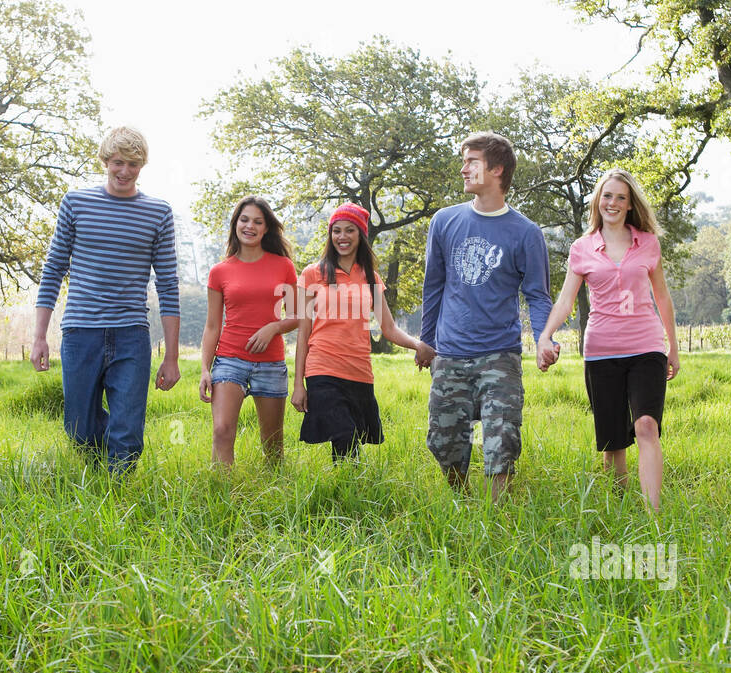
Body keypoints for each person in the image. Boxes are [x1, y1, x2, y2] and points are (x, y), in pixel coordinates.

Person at [32, 126, 181, 474]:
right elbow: (53, 269)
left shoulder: (158, 213)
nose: (125, 171)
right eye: (118, 163)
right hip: (81, 332)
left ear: (142, 165)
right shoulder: (76, 203)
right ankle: (96, 477)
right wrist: (39, 337)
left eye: (133, 164)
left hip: (131, 333)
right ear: (104, 161)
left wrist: (171, 356)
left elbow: (168, 285)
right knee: (80, 430)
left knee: (127, 431)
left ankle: (118, 498)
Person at [420, 132, 553, 502]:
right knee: (445, 443)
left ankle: (496, 518)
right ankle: (462, 505)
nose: (463, 168)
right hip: (451, 354)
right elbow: (434, 287)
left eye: (471, 161)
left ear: (496, 169)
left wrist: (544, 338)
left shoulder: (525, 233)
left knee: (501, 440)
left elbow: (537, 295)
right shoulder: (444, 222)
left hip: (500, 354)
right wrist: (426, 341)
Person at [537, 167, 681, 510]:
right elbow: (565, 301)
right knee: (613, 443)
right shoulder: (582, 248)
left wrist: (673, 347)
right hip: (601, 352)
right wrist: (545, 335)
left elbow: (663, 297)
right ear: (597, 201)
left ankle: (653, 515)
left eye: (621, 197)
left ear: (630, 205)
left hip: (647, 348)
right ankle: (619, 508)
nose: (613, 203)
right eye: (607, 196)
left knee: (646, 425)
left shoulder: (648, 244)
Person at [290, 203, 434, 463]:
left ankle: (348, 493)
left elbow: (388, 328)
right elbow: (303, 334)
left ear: (360, 235)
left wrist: (418, 344)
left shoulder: (371, 278)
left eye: (349, 231)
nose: (342, 237)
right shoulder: (313, 274)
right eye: (336, 231)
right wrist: (298, 384)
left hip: (359, 370)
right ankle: (346, 492)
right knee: (343, 433)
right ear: (330, 235)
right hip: (322, 368)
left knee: (354, 438)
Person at [199, 196, 299, 465]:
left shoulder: (283, 266)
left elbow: (298, 316)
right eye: (244, 220)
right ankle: (222, 496)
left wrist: (274, 328)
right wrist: (205, 369)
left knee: (273, 445)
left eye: (258, 221)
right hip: (230, 359)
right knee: (221, 430)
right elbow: (212, 326)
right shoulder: (219, 271)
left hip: (271, 363)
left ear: (266, 228)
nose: (250, 226)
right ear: (235, 224)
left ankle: (273, 495)